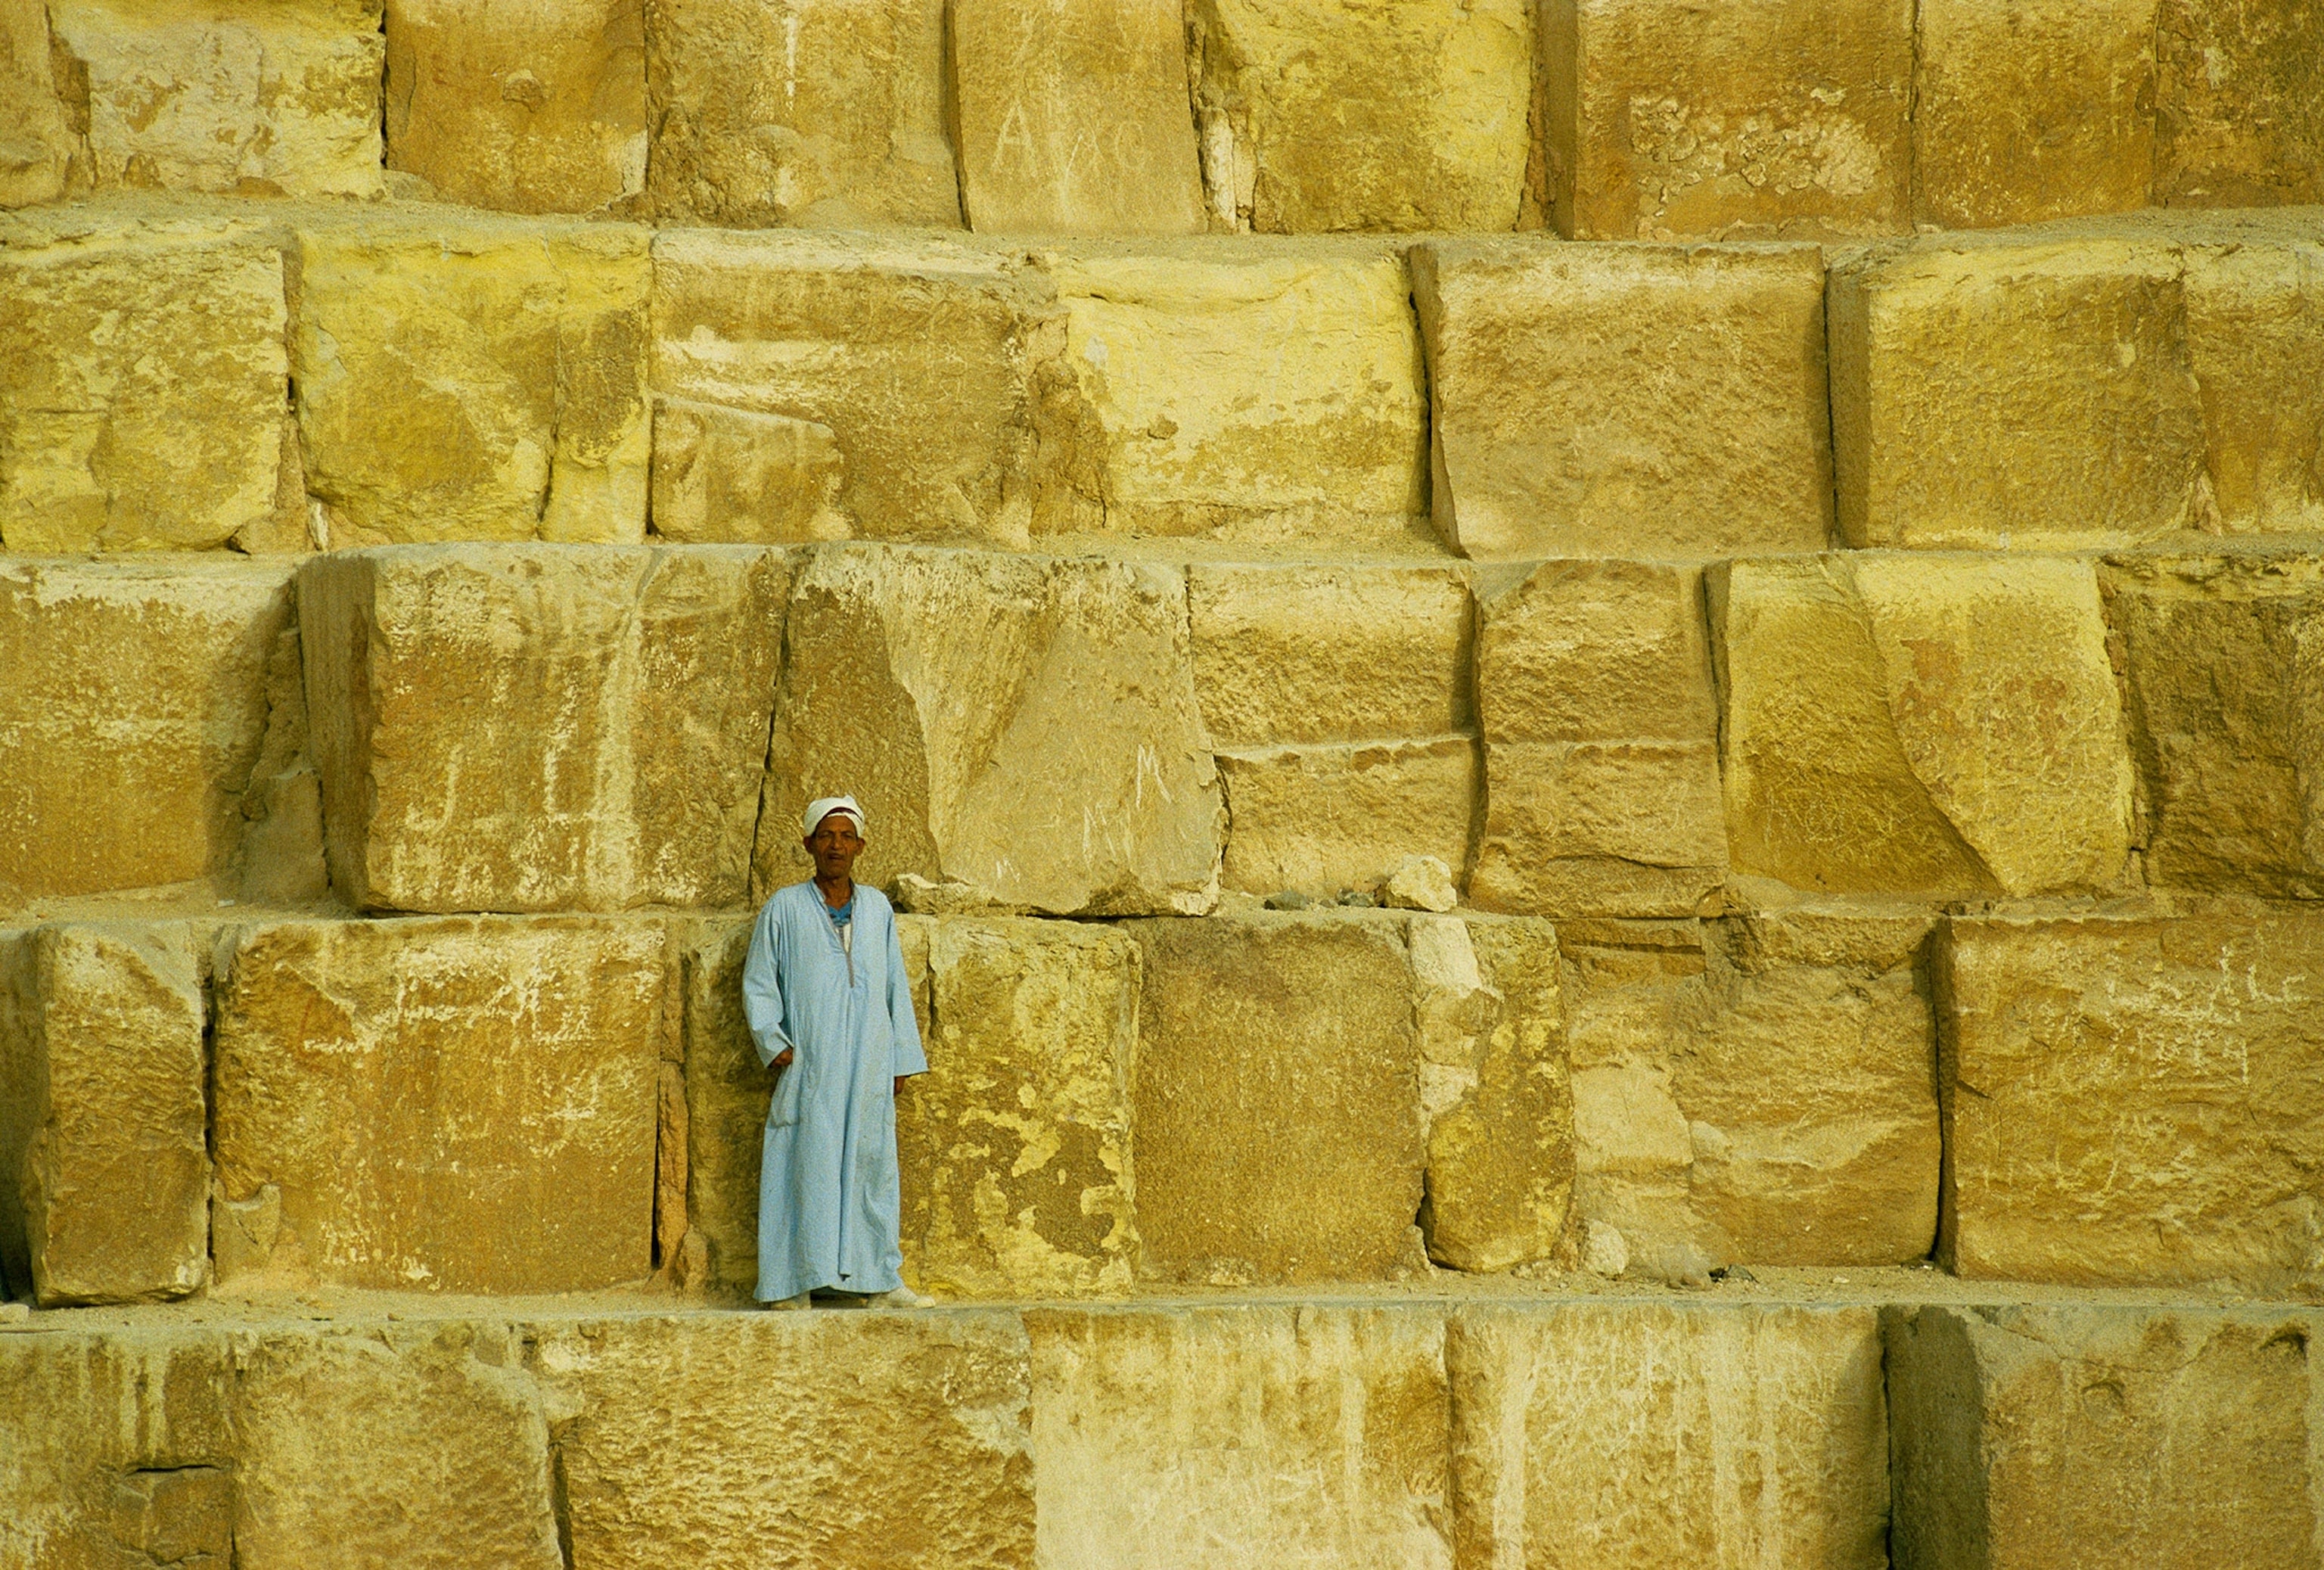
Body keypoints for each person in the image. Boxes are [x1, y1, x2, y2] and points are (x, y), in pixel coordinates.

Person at [741, 794, 931, 1309]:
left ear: (860, 846)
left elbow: (894, 983)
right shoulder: (783, 907)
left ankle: (878, 1280)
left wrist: (899, 1057)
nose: (836, 845)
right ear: (808, 844)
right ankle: (790, 1283)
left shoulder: (876, 908)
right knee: (804, 1164)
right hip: (813, 1063)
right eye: (826, 835)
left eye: (846, 836)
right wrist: (774, 1041)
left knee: (871, 1165)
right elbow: (759, 980)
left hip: (869, 1061)